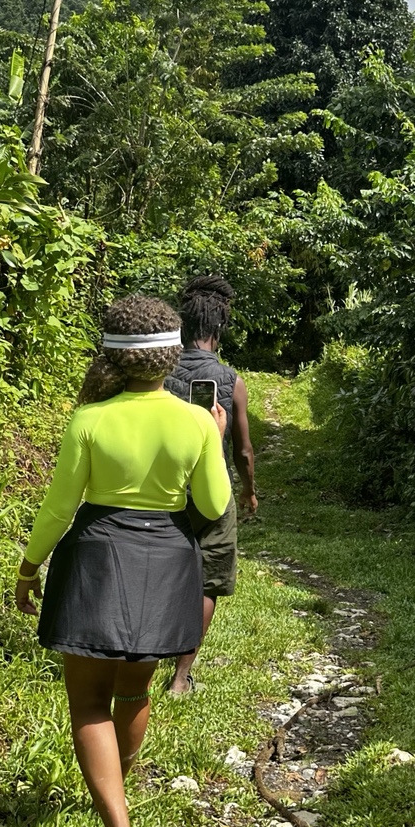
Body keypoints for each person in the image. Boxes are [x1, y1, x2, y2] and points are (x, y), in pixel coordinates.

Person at [15, 295, 231, 827]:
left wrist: (30, 566)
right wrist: (212, 437)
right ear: (171, 355)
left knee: (87, 701)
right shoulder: (193, 420)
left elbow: (61, 507)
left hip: (96, 558)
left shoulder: (89, 419)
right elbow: (212, 505)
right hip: (165, 560)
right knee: (134, 691)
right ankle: (118, 795)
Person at [164, 275, 257, 695]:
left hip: (162, 487)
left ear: (183, 327)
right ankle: (181, 678)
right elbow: (243, 450)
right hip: (212, 491)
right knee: (209, 582)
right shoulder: (230, 380)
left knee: (159, 571)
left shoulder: (159, 371)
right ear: (219, 330)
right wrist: (249, 488)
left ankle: (143, 659)